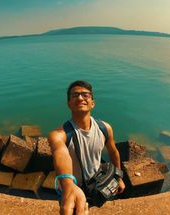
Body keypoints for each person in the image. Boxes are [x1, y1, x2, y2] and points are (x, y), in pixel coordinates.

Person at [48, 80, 125, 215]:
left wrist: (119, 178)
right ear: (69, 104)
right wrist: (68, 185)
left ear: (92, 103)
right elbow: (60, 152)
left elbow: (113, 152)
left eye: (85, 95)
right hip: (71, 189)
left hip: (96, 183)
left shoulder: (105, 128)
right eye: (74, 95)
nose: (80, 97)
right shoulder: (60, 135)